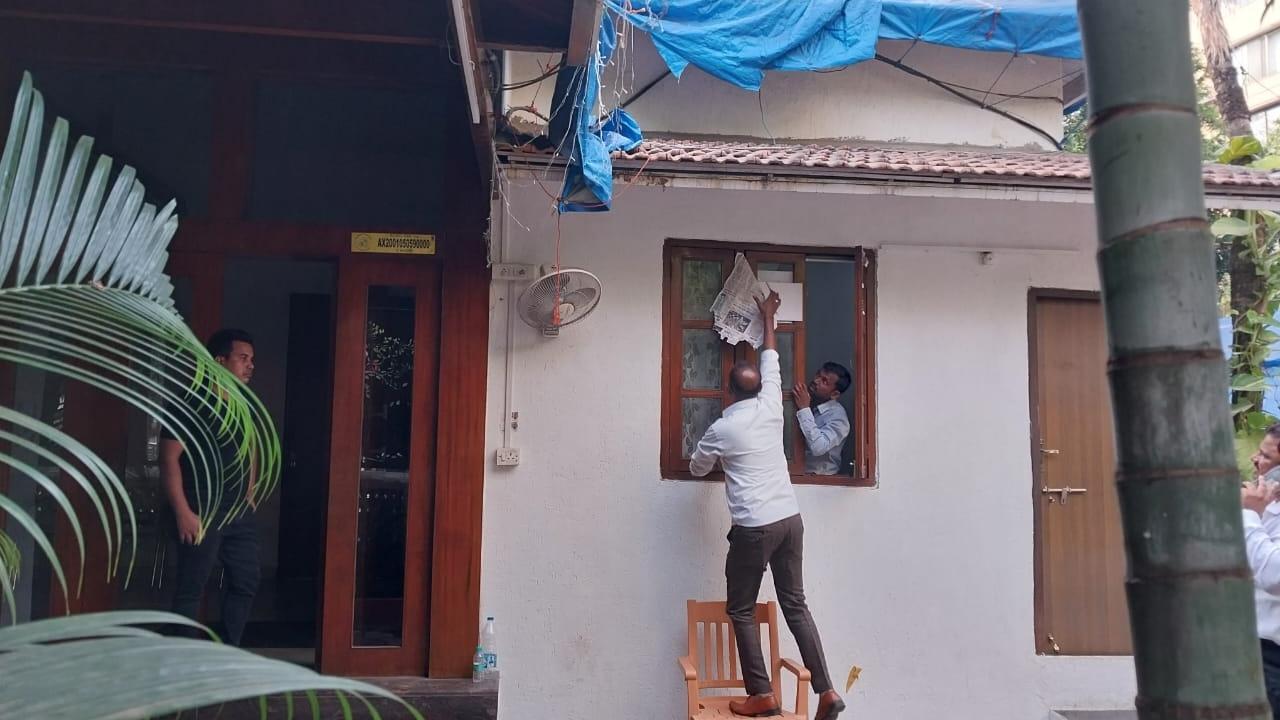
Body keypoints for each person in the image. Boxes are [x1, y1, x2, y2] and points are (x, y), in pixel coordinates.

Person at [690, 291, 845, 720]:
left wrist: (718, 457)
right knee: (795, 604)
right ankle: (828, 690)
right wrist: (769, 317)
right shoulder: (772, 404)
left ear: (727, 391)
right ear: (758, 387)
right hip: (789, 519)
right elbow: (771, 354)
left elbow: (699, 468)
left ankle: (762, 693)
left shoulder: (722, 429)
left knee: (740, 608)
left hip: (754, 528)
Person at [161, 328, 260, 646]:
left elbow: (253, 446)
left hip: (238, 511)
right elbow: (168, 459)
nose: (250, 366)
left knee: (246, 581)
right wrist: (182, 511)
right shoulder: (190, 403)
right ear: (219, 361)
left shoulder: (245, 405)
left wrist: (251, 489)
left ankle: (227, 652)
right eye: (242, 358)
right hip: (200, 506)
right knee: (192, 586)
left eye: (252, 360)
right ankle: (182, 661)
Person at [1241, 423, 1280, 719]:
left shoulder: (1255, 510)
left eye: (1266, 457)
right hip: (1255, 645)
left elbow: (1273, 575)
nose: (1256, 459)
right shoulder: (1268, 504)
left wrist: (1250, 515)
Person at [792, 362, 851, 475]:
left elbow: (819, 447)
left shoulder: (838, 417)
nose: (816, 381)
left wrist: (804, 409)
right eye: (818, 375)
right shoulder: (811, 403)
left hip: (820, 480)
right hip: (796, 475)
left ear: (834, 394)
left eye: (824, 381)